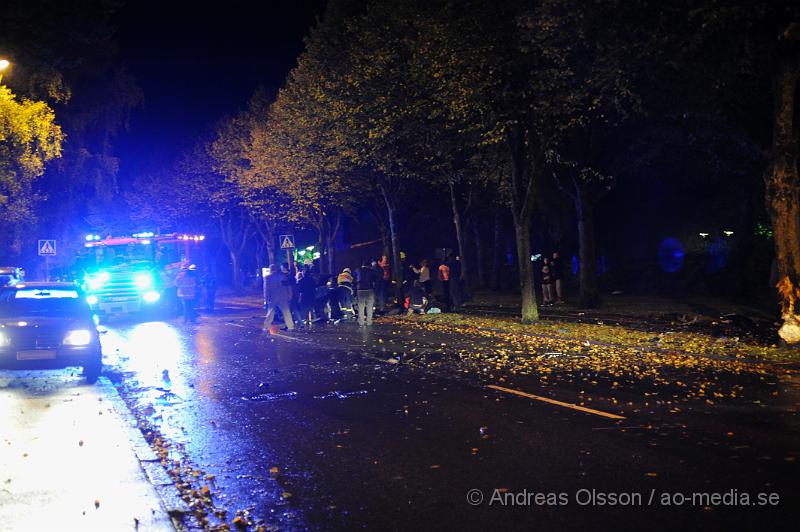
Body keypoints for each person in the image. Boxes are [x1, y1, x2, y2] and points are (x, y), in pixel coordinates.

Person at [263, 264, 295, 331]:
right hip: (283, 296)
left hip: (273, 297)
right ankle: (290, 326)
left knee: (270, 312)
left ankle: (266, 327)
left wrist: (266, 297)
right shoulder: (283, 276)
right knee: (286, 312)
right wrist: (290, 295)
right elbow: (288, 286)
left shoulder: (268, 277)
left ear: (271, 269)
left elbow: (266, 289)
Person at [356, 262, 379, 326]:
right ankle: (369, 322)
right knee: (369, 306)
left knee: (361, 307)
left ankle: (361, 322)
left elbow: (355, 279)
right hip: (369, 290)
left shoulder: (358, 270)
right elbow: (375, 279)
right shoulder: (372, 271)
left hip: (360, 290)